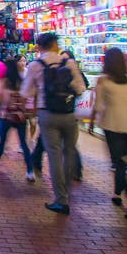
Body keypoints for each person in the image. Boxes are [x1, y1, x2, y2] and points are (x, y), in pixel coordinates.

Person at [21, 32, 86, 215]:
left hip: (47, 115)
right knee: (69, 152)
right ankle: (67, 190)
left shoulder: (35, 65)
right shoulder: (70, 63)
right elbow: (81, 89)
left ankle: (61, 199)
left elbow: (26, 92)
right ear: (56, 44)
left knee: (54, 155)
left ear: (39, 47)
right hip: (68, 114)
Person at [90, 47, 127, 220]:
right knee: (122, 163)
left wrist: (91, 122)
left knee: (119, 164)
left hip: (112, 126)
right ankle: (118, 194)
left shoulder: (103, 81)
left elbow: (98, 106)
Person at [0, 57, 35, 181]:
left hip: (7, 115)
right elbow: (27, 98)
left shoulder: (3, 82)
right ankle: (30, 171)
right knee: (23, 143)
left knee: (3, 141)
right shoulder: (22, 82)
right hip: (21, 116)